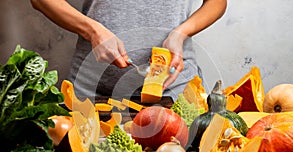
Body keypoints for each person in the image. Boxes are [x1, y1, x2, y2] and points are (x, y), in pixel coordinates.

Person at [30, 0, 227, 100]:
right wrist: (92, 30)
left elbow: (217, 2)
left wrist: (181, 33)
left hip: (174, 91)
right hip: (92, 90)